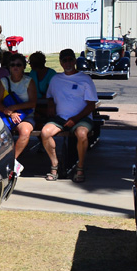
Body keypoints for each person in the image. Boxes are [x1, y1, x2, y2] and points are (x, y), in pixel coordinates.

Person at [40, 49, 99, 183]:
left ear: (75, 60)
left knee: (82, 134)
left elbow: (91, 105)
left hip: (81, 118)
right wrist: (50, 104)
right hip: (60, 118)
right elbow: (49, 96)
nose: (68, 63)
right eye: (64, 60)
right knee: (45, 132)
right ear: (60, 62)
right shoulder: (56, 79)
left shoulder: (85, 79)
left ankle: (80, 168)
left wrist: (75, 119)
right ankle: (54, 165)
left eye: (70, 59)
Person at [0, 52, 37, 165]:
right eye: (12, 65)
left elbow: (33, 103)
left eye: (18, 65)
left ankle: (12, 161)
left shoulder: (29, 81)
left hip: (25, 116)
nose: (15, 67)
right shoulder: (4, 81)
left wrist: (14, 108)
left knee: (25, 132)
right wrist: (9, 112)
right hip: (7, 115)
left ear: (23, 67)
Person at [28, 51, 57, 122]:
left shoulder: (51, 73)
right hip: (34, 103)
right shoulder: (32, 73)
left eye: (30, 63)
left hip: (48, 104)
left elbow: (50, 92)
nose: (30, 65)